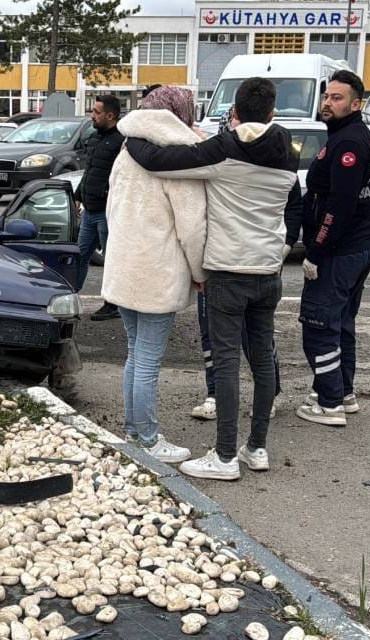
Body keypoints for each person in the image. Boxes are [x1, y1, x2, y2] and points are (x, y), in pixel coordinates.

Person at [123, 78, 297, 480]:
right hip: (268, 272)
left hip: (227, 273)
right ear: (272, 113)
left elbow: (157, 162)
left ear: (233, 113)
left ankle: (222, 458)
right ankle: (256, 448)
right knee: (263, 360)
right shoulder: (289, 154)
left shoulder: (225, 150)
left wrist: (131, 136)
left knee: (225, 364)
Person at [102, 85, 208, 463]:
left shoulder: (127, 149)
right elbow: (192, 227)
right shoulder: (180, 160)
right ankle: (147, 438)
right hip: (158, 271)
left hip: (125, 265)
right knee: (147, 359)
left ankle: (134, 432)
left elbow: (113, 206)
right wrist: (200, 272)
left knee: (136, 354)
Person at [191, 108, 302, 423]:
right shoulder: (219, 155)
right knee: (211, 336)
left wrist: (286, 244)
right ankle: (214, 394)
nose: (240, 128)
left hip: (260, 262)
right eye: (235, 122)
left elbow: (294, 205)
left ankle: (269, 396)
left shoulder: (278, 156)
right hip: (220, 261)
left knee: (258, 341)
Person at [294, 70, 370, 428]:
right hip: (356, 246)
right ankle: (341, 391)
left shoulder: (349, 143)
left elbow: (340, 204)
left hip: (340, 250)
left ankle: (330, 403)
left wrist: (316, 250)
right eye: (327, 96)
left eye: (337, 98)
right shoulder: (355, 136)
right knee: (341, 323)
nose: (328, 103)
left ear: (356, 103)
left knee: (319, 324)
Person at [76, 95, 124, 322]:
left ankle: (113, 304)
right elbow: (90, 171)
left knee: (112, 261)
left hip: (107, 212)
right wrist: (78, 196)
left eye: (96, 112)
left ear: (110, 115)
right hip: (89, 210)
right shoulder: (95, 138)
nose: (92, 115)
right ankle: (70, 296)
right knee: (80, 255)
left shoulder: (121, 142)